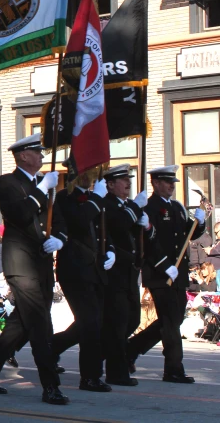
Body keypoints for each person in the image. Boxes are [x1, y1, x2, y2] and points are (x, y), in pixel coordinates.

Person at [0, 133, 70, 405]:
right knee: (40, 324)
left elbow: (60, 221)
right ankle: (51, 385)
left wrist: (59, 238)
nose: (41, 156)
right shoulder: (8, 182)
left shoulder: (44, 183)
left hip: (41, 264)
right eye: (36, 152)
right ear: (23, 156)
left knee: (21, 325)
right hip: (20, 263)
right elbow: (20, 214)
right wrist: (41, 191)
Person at [127, 165, 206, 383]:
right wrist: (164, 266)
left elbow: (188, 233)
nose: (172, 186)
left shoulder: (177, 207)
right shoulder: (149, 208)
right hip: (160, 273)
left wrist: (201, 222)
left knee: (172, 319)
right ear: (155, 183)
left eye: (173, 182)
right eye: (167, 182)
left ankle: (130, 349)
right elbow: (149, 243)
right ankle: (173, 368)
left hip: (178, 273)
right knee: (171, 321)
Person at [51, 169, 116, 393]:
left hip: (96, 269)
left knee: (94, 322)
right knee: (89, 322)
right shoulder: (64, 197)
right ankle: (90, 377)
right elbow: (78, 222)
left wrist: (111, 250)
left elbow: (104, 231)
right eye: (88, 171)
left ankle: (51, 347)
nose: (92, 176)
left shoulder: (93, 197)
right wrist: (97, 199)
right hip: (75, 269)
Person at [101, 164, 154, 387]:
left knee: (133, 319)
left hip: (130, 271)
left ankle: (100, 356)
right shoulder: (108, 205)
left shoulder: (127, 205)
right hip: (115, 271)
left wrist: (147, 226)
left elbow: (139, 236)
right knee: (118, 322)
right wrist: (134, 208)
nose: (128, 183)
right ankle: (117, 372)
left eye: (129, 179)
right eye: (123, 180)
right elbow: (118, 224)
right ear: (111, 184)